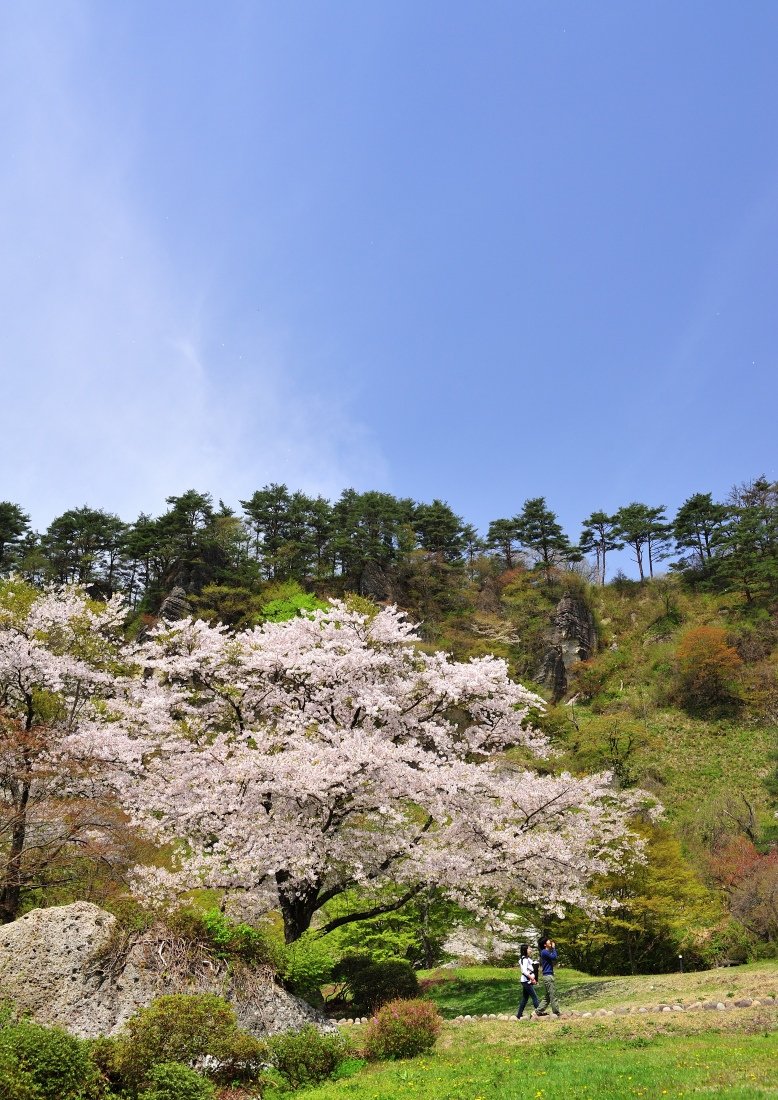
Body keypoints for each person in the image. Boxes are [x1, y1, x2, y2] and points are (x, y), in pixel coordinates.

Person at [534, 936, 561, 1017]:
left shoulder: (545, 952)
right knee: (553, 995)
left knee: (548, 996)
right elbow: (554, 957)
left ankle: (538, 1011)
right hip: (548, 976)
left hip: (548, 975)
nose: (550, 942)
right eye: (548, 941)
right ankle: (556, 1012)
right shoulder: (544, 952)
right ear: (545, 944)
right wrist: (554, 948)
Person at [515, 943, 540, 1020]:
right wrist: (532, 979)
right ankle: (539, 1012)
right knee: (534, 997)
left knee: (525, 998)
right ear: (525, 950)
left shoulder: (526, 959)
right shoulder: (525, 959)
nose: (531, 949)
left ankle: (519, 1015)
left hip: (526, 980)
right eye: (529, 948)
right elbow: (524, 971)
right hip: (526, 981)